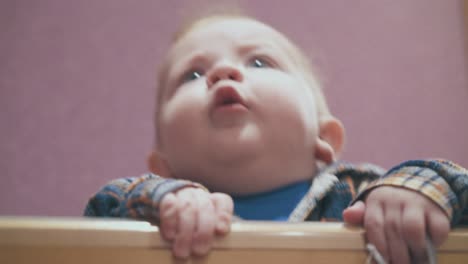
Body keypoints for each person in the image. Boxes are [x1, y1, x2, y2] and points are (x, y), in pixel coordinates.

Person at [84, 14, 468, 263]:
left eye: (258, 62)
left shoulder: (362, 196)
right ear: (163, 163)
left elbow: (458, 193)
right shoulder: (154, 213)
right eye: (192, 76)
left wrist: (416, 192)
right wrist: (167, 198)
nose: (222, 71)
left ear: (324, 137)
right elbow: (102, 214)